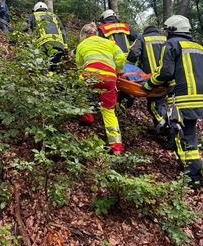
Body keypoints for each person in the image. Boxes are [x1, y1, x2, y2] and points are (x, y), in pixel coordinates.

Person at [141, 15, 203, 189]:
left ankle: (192, 178)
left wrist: (148, 84)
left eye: (167, 31)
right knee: (190, 133)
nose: (166, 34)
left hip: (182, 98)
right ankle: (195, 174)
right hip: (199, 97)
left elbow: (165, 72)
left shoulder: (171, 44)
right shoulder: (198, 47)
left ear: (172, 30)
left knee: (179, 134)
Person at [76, 22, 126, 154]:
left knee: (79, 88)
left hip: (90, 76)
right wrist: (117, 71)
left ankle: (87, 118)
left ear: (84, 34)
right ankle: (116, 148)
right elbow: (121, 57)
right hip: (109, 78)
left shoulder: (81, 45)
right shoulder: (110, 43)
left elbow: (79, 67)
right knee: (108, 111)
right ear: (96, 33)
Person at [126, 25, 167, 132]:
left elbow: (134, 53)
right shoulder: (166, 38)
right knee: (161, 103)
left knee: (155, 105)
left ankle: (168, 131)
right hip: (169, 77)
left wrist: (127, 67)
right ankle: (160, 129)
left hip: (153, 78)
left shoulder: (143, 38)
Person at [23, 1, 69, 71]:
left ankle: (43, 78)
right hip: (59, 46)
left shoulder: (32, 16)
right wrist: (65, 49)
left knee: (42, 67)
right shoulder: (54, 16)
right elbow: (63, 32)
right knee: (54, 67)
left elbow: (23, 27)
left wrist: (13, 38)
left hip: (43, 45)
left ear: (34, 10)